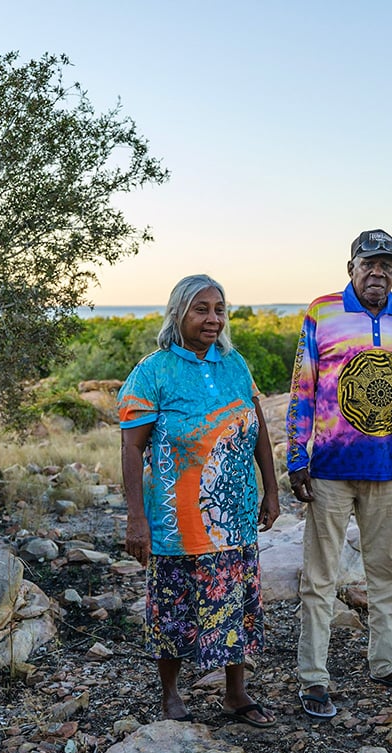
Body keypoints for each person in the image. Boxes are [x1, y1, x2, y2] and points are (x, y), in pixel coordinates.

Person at [118, 274, 280, 726]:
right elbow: (132, 447)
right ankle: (170, 695)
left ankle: (236, 692)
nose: (213, 319)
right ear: (178, 314)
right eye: (201, 309)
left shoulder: (235, 364)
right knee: (173, 608)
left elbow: (259, 430)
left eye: (219, 309)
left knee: (235, 603)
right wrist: (137, 517)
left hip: (235, 514)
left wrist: (271, 488)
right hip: (176, 520)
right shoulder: (153, 371)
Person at [287, 228, 392, 718]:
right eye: (369, 263)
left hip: (386, 469)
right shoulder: (322, 311)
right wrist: (296, 456)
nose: (379, 272)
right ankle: (313, 677)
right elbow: (302, 387)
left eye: (387, 265)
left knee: (387, 571)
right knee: (320, 575)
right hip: (329, 468)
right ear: (351, 266)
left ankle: (385, 662)